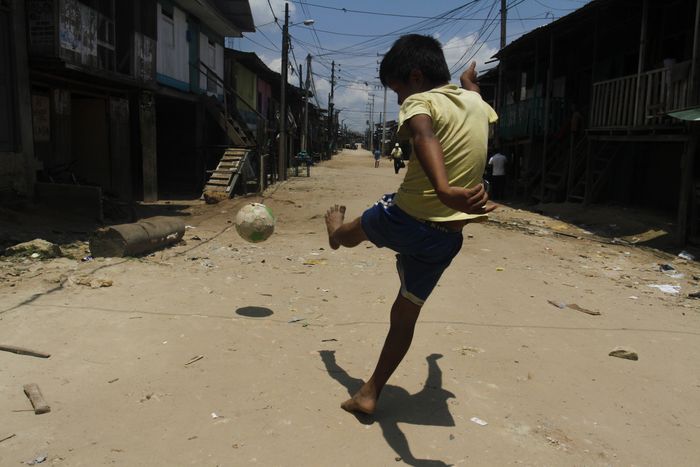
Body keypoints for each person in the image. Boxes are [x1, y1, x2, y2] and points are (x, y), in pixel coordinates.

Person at [324, 34, 497, 415]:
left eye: (398, 90)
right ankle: (370, 391)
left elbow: (424, 134)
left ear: (416, 77)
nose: (400, 100)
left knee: (356, 231)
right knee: (404, 315)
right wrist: (471, 87)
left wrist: (443, 188)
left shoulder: (420, 101)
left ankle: (335, 233)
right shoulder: (477, 103)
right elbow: (468, 108)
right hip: (446, 238)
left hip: (407, 217)